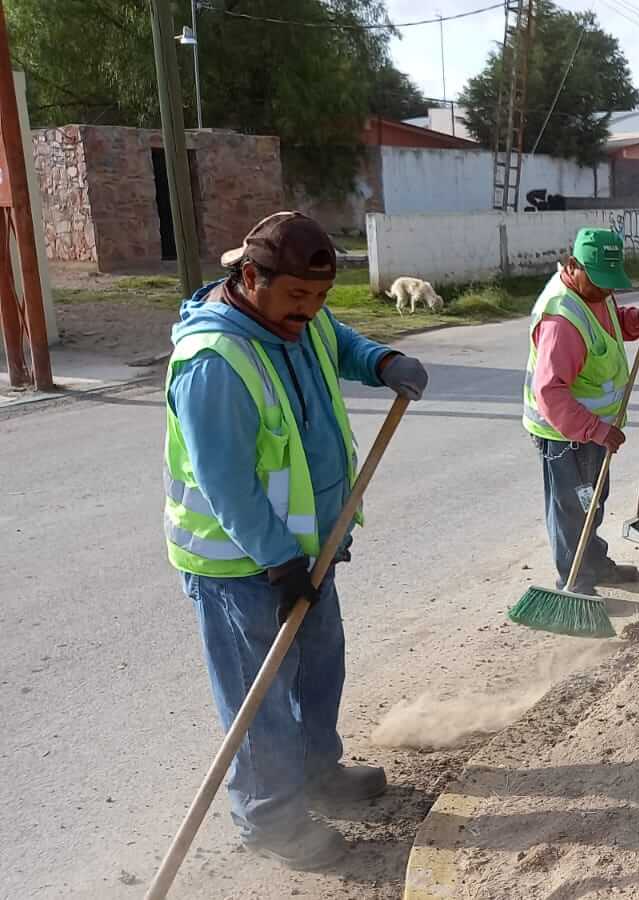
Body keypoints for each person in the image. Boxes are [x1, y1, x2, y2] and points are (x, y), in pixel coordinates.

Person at [164, 211, 429, 869]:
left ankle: (318, 773)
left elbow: (340, 344)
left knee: (317, 666)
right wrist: (279, 561)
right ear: (250, 277)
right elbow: (226, 483)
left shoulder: (301, 323)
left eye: (318, 299)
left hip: (309, 547)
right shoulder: (213, 362)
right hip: (241, 565)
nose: (307, 313)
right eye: (295, 297)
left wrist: (383, 361)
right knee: (260, 699)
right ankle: (272, 819)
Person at [523, 228, 639, 595]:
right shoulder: (561, 320)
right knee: (572, 510)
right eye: (600, 282)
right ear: (574, 266)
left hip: (590, 429)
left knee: (592, 501)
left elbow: (607, 324)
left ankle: (595, 564)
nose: (606, 291)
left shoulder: (592, 294)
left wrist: (634, 319)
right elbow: (550, 392)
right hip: (566, 434)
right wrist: (596, 430)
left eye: (610, 283)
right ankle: (576, 582)